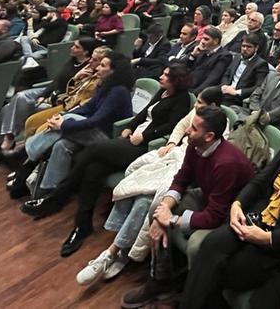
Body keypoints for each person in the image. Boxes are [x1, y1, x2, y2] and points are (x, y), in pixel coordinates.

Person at [122, 109, 280, 309]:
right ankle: (184, 294)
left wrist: (267, 238)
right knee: (211, 247)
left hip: (277, 235)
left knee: (227, 269)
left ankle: (191, 295)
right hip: (255, 217)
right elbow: (259, 181)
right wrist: (237, 204)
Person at [20, 63, 193, 255]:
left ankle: (56, 197)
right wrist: (130, 127)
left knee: (92, 151)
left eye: (166, 75)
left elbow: (171, 126)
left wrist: (145, 136)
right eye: (163, 73)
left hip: (144, 147)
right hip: (131, 137)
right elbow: (144, 114)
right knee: (93, 170)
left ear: (176, 80)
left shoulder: (182, 99)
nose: (161, 76)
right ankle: (82, 226)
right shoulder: (162, 92)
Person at [76, 104, 253, 286]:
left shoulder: (226, 163)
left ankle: (166, 282)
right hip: (209, 196)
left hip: (232, 211)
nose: (187, 130)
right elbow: (181, 179)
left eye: (193, 128)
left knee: (170, 222)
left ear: (209, 136)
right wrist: (165, 208)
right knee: (156, 206)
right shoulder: (194, 146)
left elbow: (215, 215)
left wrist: (172, 219)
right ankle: (159, 277)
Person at [14, 53, 135, 196]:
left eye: (102, 65)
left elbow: (96, 120)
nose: (97, 69)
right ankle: (48, 190)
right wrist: (61, 117)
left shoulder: (119, 91)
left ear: (113, 71)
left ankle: (27, 156)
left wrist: (63, 125)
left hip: (108, 139)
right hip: (93, 131)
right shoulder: (106, 86)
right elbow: (87, 107)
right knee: (62, 144)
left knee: (67, 121)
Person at [0, 37, 97, 164]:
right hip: (50, 92)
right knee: (19, 97)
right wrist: (44, 94)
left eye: (76, 47)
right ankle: (6, 141)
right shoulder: (73, 61)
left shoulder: (88, 69)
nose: (71, 48)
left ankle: (5, 143)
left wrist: (74, 79)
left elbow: (74, 92)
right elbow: (57, 81)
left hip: (60, 99)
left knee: (8, 108)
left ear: (86, 52)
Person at [219, 32, 269, 106]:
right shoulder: (237, 57)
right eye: (243, 46)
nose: (245, 49)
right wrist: (224, 85)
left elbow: (258, 87)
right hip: (226, 90)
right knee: (206, 95)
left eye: (249, 47)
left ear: (256, 48)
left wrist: (237, 92)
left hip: (238, 97)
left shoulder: (261, 64)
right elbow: (227, 74)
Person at [181, 26, 231, 93]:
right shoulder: (201, 50)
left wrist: (194, 94)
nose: (202, 42)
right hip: (186, 86)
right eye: (202, 38)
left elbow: (212, 80)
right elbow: (183, 67)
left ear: (216, 41)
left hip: (199, 91)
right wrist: (193, 55)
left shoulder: (224, 56)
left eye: (206, 39)